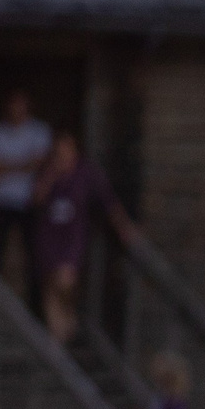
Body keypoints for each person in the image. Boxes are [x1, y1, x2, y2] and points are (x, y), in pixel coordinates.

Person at [30, 132, 124, 343]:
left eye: (66, 151)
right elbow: (35, 200)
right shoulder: (48, 172)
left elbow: (108, 201)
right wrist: (51, 175)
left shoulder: (86, 174)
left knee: (65, 281)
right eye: (58, 151)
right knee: (50, 288)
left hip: (72, 238)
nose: (62, 156)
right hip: (49, 237)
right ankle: (57, 343)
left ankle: (71, 315)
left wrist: (124, 228)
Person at [0, 91, 50, 301]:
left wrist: (6, 165)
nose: (16, 109)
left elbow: (40, 163)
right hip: (2, 202)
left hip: (29, 202)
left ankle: (35, 311)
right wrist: (23, 164)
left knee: (33, 257)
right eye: (13, 104)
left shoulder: (39, 131)